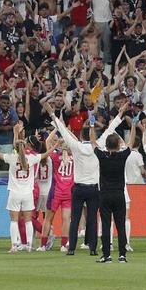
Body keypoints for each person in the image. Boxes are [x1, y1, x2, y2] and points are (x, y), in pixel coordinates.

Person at [46, 99, 102, 257]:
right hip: (93, 188)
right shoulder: (97, 147)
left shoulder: (76, 146)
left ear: (80, 136)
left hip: (78, 188)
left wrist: (53, 115)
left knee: (74, 218)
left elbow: (63, 131)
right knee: (92, 219)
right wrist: (92, 125)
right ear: (92, 136)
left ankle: (71, 248)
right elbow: (107, 131)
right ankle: (92, 248)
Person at [0, 122, 46, 252]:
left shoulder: (14, 157)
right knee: (28, 219)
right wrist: (17, 133)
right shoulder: (33, 156)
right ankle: (28, 244)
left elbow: (4, 151)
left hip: (18, 191)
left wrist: (16, 133)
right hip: (30, 190)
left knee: (16, 220)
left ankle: (16, 244)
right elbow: (20, 147)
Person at [92, 114, 131, 263]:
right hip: (119, 194)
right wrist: (133, 127)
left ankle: (106, 255)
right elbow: (131, 142)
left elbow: (93, 143)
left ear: (106, 146)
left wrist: (91, 126)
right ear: (118, 145)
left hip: (105, 195)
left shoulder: (102, 156)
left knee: (106, 225)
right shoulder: (122, 156)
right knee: (121, 226)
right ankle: (122, 255)